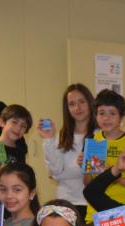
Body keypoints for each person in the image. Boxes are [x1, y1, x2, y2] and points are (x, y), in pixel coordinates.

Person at [39, 83, 95, 217]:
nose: (77, 108)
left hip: (94, 202)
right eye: (72, 104)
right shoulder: (61, 136)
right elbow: (55, 173)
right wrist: (49, 139)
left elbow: (100, 175)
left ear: (90, 103)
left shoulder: (100, 135)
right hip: (66, 202)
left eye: (82, 102)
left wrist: (68, 172)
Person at [83, 89, 125, 221]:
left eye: (112, 113)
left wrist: (111, 174)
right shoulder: (93, 140)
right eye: (102, 113)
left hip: (121, 209)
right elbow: (87, 183)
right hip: (94, 211)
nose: (106, 118)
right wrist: (86, 167)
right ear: (95, 116)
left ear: (121, 117)